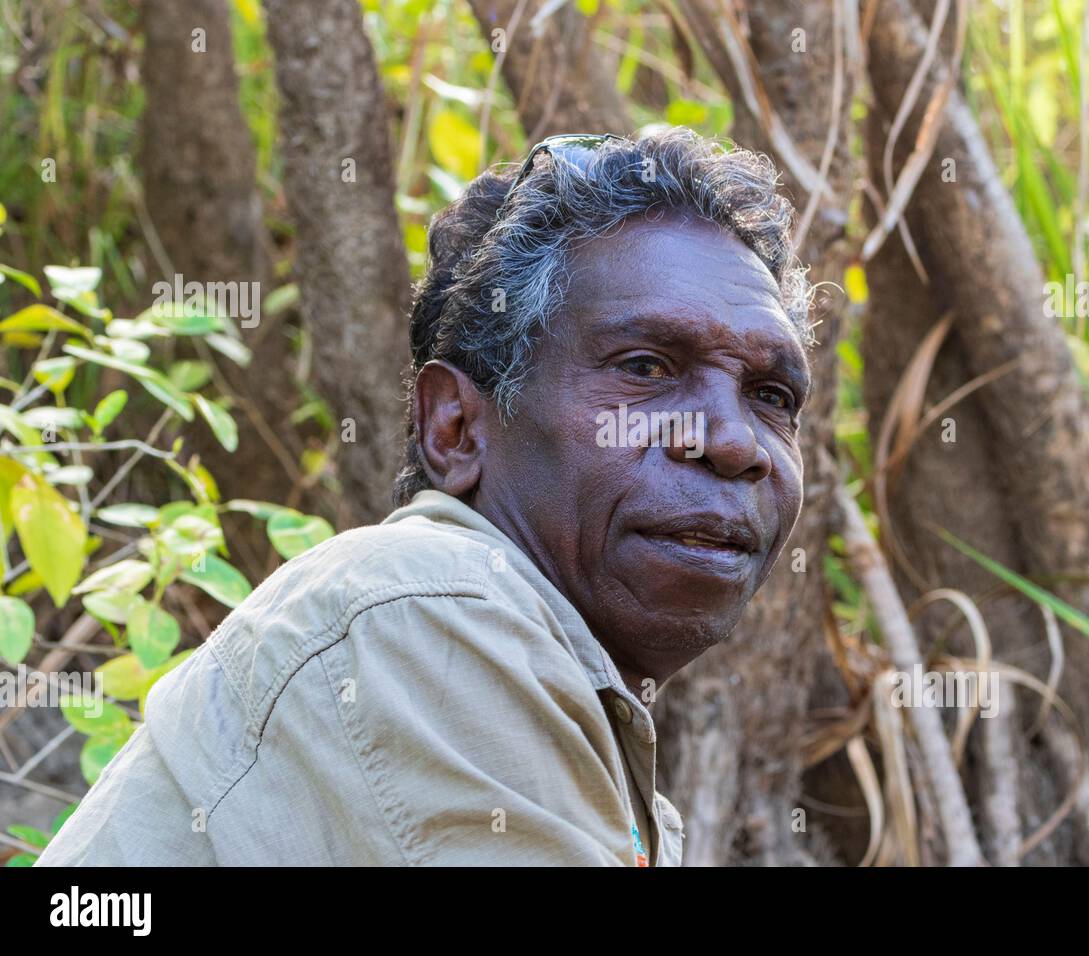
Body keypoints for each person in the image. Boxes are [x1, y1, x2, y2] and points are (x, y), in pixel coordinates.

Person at [38, 127, 814, 866]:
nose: (735, 442)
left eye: (772, 394)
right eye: (646, 368)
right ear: (455, 428)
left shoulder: (543, 678)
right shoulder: (432, 609)